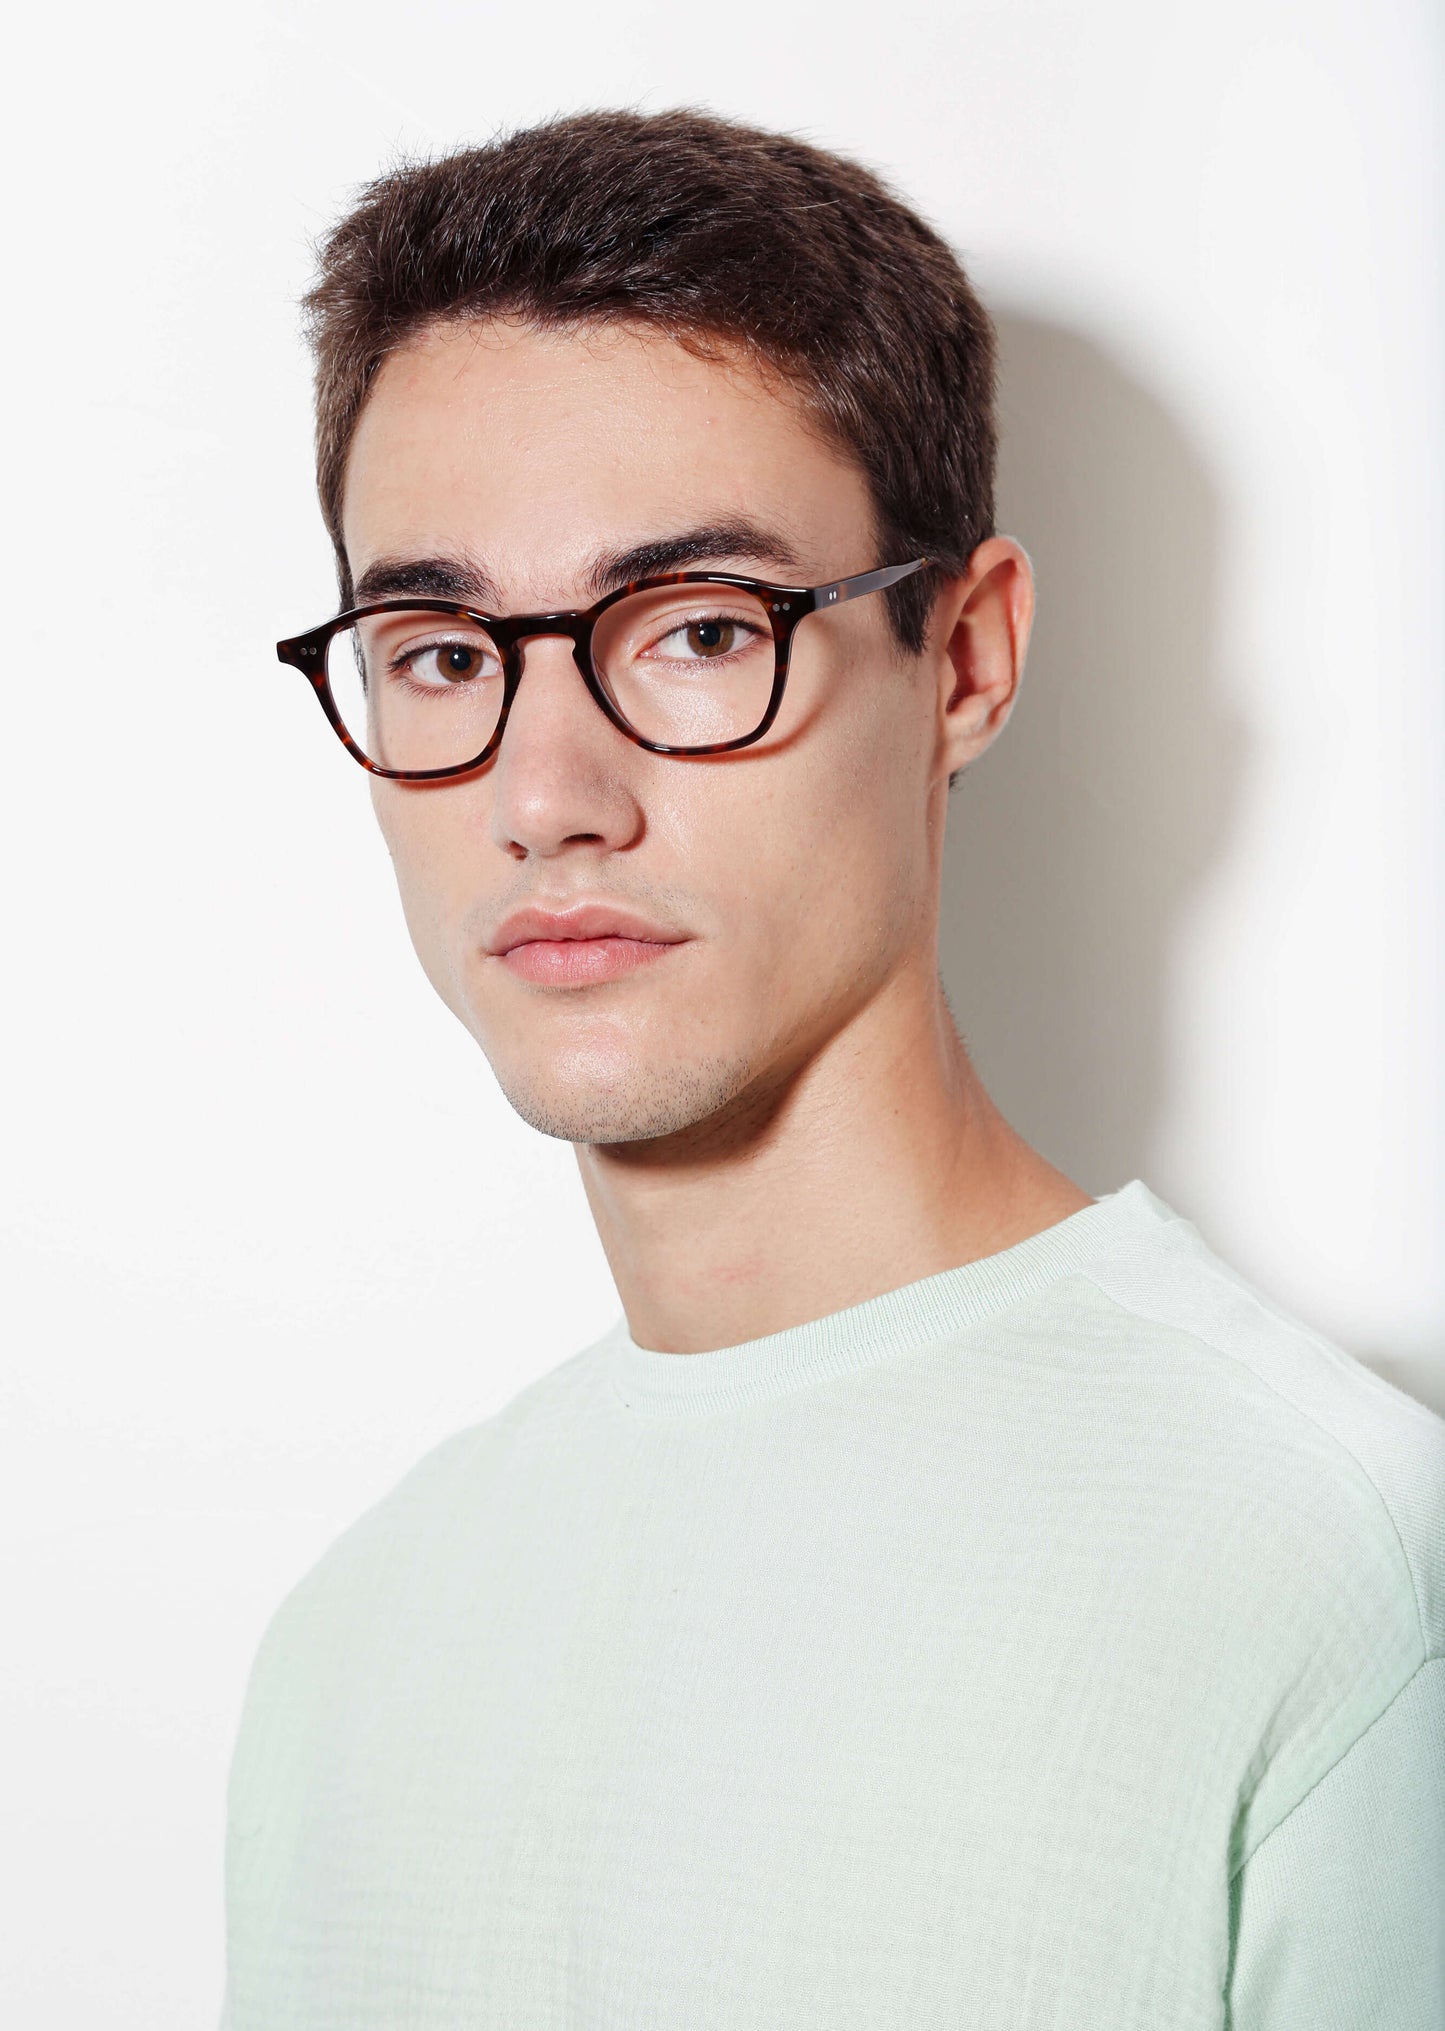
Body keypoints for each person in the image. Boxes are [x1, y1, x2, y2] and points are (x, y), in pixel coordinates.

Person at [222, 107, 1445, 2030]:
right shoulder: (355, 1639)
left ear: (962, 659)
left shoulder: (1331, 1569)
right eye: (443, 652)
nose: (547, 797)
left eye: (699, 630)